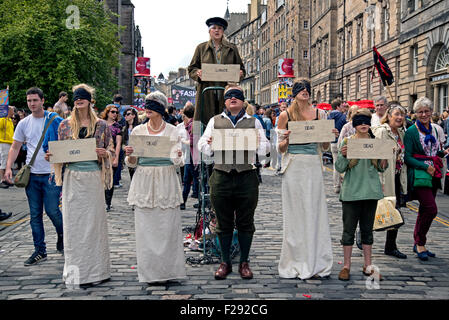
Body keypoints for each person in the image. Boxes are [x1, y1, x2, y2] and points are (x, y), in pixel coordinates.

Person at [198, 85, 269, 280]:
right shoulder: (215, 121)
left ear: (243, 100)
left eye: (237, 96)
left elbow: (265, 147)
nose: (233, 99)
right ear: (225, 101)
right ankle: (225, 262)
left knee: (246, 222)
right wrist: (210, 146)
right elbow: (202, 144)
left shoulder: (254, 122)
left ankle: (244, 262)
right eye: (229, 96)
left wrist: (256, 144)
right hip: (221, 175)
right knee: (223, 222)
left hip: (246, 176)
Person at [48, 83, 114, 288]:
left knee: (94, 225)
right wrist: (53, 156)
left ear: (89, 100)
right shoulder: (64, 125)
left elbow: (110, 152)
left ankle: (97, 270)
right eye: (76, 98)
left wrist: (106, 154)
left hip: (93, 178)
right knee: (74, 226)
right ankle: (77, 273)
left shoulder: (102, 125)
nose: (79, 100)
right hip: (73, 179)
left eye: (82, 97)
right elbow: (61, 153)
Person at [276, 78, 336, 280]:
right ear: (294, 93)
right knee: (295, 214)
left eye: (307, 89)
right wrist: (287, 139)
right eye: (301, 89)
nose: (305, 92)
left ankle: (315, 259)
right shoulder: (285, 115)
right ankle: (295, 260)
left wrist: (329, 135)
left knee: (314, 212)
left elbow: (325, 147)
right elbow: (279, 148)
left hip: (312, 166)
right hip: (293, 166)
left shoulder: (321, 114)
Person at [124, 91, 186, 284]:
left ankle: (169, 270)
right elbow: (132, 163)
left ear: (161, 109)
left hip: (166, 179)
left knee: (167, 226)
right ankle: (149, 273)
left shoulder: (173, 131)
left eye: (152, 105)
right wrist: (130, 154)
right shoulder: (138, 132)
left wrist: (176, 154)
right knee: (146, 228)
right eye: (147, 105)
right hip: (144, 180)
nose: (147, 108)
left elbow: (179, 162)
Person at [4, 87, 64, 266]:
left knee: (53, 211)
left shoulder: (55, 120)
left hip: (52, 174)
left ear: (43, 101)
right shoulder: (24, 123)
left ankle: (63, 234)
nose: (32, 104)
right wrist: (8, 167)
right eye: (29, 101)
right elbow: (15, 147)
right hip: (32, 175)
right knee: (35, 215)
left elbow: (66, 141)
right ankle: (40, 250)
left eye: (35, 100)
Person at [335, 108, 388, 281]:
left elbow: (381, 167)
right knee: (348, 231)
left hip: (370, 191)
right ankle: (346, 265)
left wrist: (384, 159)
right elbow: (339, 168)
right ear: (354, 125)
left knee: (367, 231)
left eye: (366, 121)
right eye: (360, 122)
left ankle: (368, 265)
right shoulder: (348, 142)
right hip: (351, 192)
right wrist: (343, 156)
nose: (363, 125)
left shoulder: (375, 142)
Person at [404, 97, 449, 261]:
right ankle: (420, 242)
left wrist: (442, 153)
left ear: (431, 112)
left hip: (434, 174)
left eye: (426, 111)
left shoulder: (436, 129)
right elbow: (407, 157)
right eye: (420, 112)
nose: (423, 114)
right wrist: (425, 166)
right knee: (431, 209)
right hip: (421, 175)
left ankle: (418, 242)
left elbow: (435, 151)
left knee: (424, 209)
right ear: (415, 114)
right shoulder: (411, 132)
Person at [188, 16, 245, 126]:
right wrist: (197, 73)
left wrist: (240, 74)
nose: (217, 30)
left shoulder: (232, 48)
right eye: (214, 28)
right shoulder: (201, 48)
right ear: (209, 31)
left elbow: (241, 69)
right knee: (203, 124)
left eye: (220, 28)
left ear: (223, 31)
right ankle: (200, 142)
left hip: (226, 91)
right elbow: (191, 69)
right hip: (206, 92)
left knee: (225, 123)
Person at [372, 101, 408, 259]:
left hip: (397, 176)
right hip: (384, 176)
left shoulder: (401, 133)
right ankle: (362, 232)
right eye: (397, 114)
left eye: (402, 114)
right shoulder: (382, 131)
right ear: (389, 117)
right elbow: (374, 154)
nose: (400, 117)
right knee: (378, 209)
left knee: (394, 211)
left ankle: (390, 246)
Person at [100, 105, 123, 211]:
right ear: (107, 112)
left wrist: (116, 158)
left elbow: (118, 143)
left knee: (110, 179)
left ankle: (107, 202)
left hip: (112, 155)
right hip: (100, 155)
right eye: (113, 112)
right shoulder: (100, 124)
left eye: (116, 112)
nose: (115, 114)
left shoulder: (117, 126)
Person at [180, 103, 199, 210]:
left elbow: (192, 142)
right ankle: (183, 202)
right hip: (191, 156)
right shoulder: (191, 124)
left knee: (191, 180)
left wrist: (183, 140)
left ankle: (184, 202)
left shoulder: (193, 125)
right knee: (188, 180)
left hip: (193, 156)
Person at [328, 99, 347, 193]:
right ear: (338, 107)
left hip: (332, 142)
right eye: (342, 106)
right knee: (343, 164)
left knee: (336, 164)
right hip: (341, 142)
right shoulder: (342, 116)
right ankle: (344, 185)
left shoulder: (329, 115)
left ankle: (336, 186)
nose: (343, 107)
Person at [122, 107, 140, 181]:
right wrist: (125, 148)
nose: (126, 116)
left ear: (134, 115)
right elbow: (122, 143)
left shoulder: (139, 128)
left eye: (128, 114)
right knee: (132, 175)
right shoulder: (124, 129)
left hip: (139, 153)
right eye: (125, 114)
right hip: (129, 154)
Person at [0, 106, 14, 188]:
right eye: (12, 110)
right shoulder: (2, 120)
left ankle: (6, 179)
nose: (13, 112)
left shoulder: (9, 120)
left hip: (10, 143)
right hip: (4, 143)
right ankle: (2, 180)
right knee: (4, 162)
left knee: (8, 162)